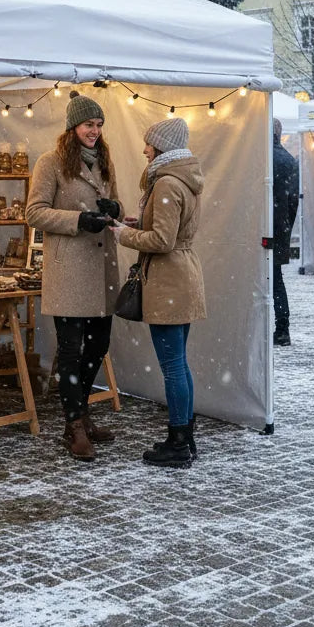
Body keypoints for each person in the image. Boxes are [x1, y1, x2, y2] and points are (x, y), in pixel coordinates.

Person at [26, 91, 123, 462]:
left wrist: (116, 208)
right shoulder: (50, 163)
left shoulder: (105, 162)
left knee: (98, 346)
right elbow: (34, 213)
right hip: (69, 271)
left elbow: (116, 207)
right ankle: (75, 425)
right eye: (88, 125)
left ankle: (81, 415)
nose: (94, 131)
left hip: (101, 270)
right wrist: (77, 220)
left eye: (98, 125)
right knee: (71, 350)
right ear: (72, 128)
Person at [112, 117, 205, 469]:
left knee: (172, 367)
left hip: (168, 281)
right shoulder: (184, 178)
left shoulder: (166, 182)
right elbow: (172, 230)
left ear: (162, 146)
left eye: (149, 144)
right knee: (179, 362)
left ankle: (178, 443)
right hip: (182, 277)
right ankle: (185, 437)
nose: (144, 150)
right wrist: (141, 224)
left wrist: (124, 234)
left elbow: (163, 241)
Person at [272, 119, 299, 346]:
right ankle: (282, 329)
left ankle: (254, 329)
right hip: (279, 226)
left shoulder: (259, 157)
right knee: (276, 280)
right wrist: (285, 225)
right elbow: (293, 201)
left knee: (259, 280)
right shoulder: (289, 160)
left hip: (258, 226)